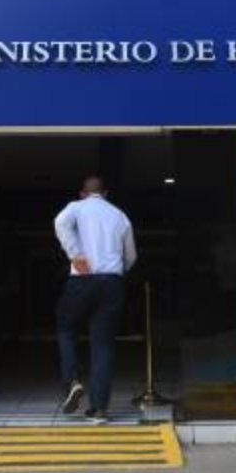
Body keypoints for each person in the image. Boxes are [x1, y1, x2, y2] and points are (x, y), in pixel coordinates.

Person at [53, 176, 137, 424]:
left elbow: (59, 222)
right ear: (106, 193)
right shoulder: (120, 216)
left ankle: (72, 381)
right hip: (112, 283)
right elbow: (131, 256)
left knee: (66, 326)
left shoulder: (76, 208)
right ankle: (99, 410)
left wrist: (75, 254)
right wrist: (116, 272)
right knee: (103, 344)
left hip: (82, 280)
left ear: (83, 193)